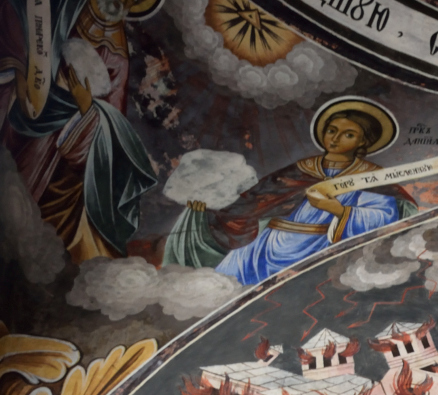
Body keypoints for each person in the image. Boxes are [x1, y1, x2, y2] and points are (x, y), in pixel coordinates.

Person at [164, 99, 414, 286]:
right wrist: (208, 211)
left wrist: (339, 210)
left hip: (319, 249)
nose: (336, 138)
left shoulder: (371, 177)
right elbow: (253, 201)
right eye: (332, 130)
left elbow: (385, 217)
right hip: (264, 248)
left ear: (363, 142)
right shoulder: (301, 169)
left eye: (348, 134)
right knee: (227, 290)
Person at [1, 0, 156, 260]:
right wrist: (19, 71)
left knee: (44, 221)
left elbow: (111, 132)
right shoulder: (64, 8)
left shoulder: (116, 57)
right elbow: (16, 23)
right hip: (26, 129)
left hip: (66, 153)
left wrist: (86, 108)